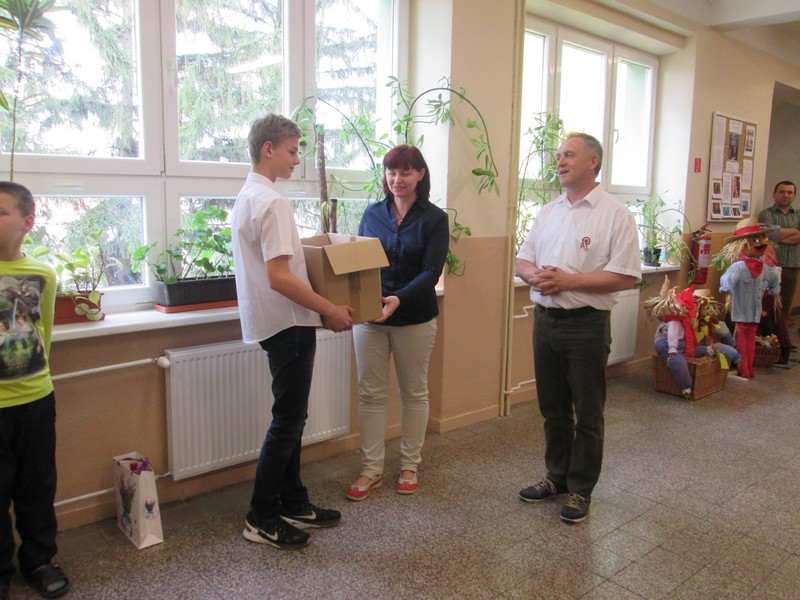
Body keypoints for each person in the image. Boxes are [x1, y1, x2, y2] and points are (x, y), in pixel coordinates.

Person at [232, 114, 354, 550]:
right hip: (289, 323)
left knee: (291, 417)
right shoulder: (271, 202)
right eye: (291, 150)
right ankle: (262, 517)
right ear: (268, 149)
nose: (296, 159)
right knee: (287, 421)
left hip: (272, 323)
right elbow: (280, 277)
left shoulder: (247, 196)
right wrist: (330, 309)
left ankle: (293, 501)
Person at [515, 133, 641, 524]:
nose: (560, 161)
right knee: (553, 409)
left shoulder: (615, 213)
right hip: (546, 322)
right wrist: (536, 276)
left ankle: (581, 489)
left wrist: (568, 281)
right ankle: (557, 477)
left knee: (587, 412)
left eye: (569, 154)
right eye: (558, 156)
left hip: (586, 325)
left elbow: (625, 276)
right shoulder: (548, 211)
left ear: (593, 161)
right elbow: (523, 260)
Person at [345, 145, 448, 502]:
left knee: (413, 392)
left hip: (414, 317)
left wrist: (398, 298)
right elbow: (360, 263)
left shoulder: (434, 219)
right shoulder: (372, 214)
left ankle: (409, 465)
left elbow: (431, 271)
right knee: (371, 394)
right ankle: (371, 469)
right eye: (391, 172)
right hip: (370, 317)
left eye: (405, 172)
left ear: (420, 174)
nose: (397, 179)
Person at [0, 181, 70, 599]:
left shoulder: (42, 274)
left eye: (1, 212)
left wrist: (35, 378)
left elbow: (44, 331)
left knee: (37, 485)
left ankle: (40, 560)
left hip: (35, 398)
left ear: (27, 222)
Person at [717, 217, 781, 379]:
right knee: (741, 340)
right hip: (741, 310)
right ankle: (743, 369)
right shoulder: (739, 267)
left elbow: (774, 279)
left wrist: (774, 290)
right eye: (756, 240)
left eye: (762, 239)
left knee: (751, 339)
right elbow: (727, 279)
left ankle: (749, 368)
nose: (762, 244)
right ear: (743, 245)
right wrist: (727, 288)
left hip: (755, 312)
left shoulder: (765, 268)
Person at [758, 181, 800, 328]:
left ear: (794, 196)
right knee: (768, 299)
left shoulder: (798, 214)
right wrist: (794, 231)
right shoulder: (766, 214)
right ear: (774, 194)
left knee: (786, 300)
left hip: (792, 263)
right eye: (782, 192)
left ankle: (783, 334)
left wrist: (779, 235)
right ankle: (769, 332)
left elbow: (775, 236)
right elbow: (769, 235)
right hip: (770, 264)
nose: (785, 195)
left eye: (789, 192)